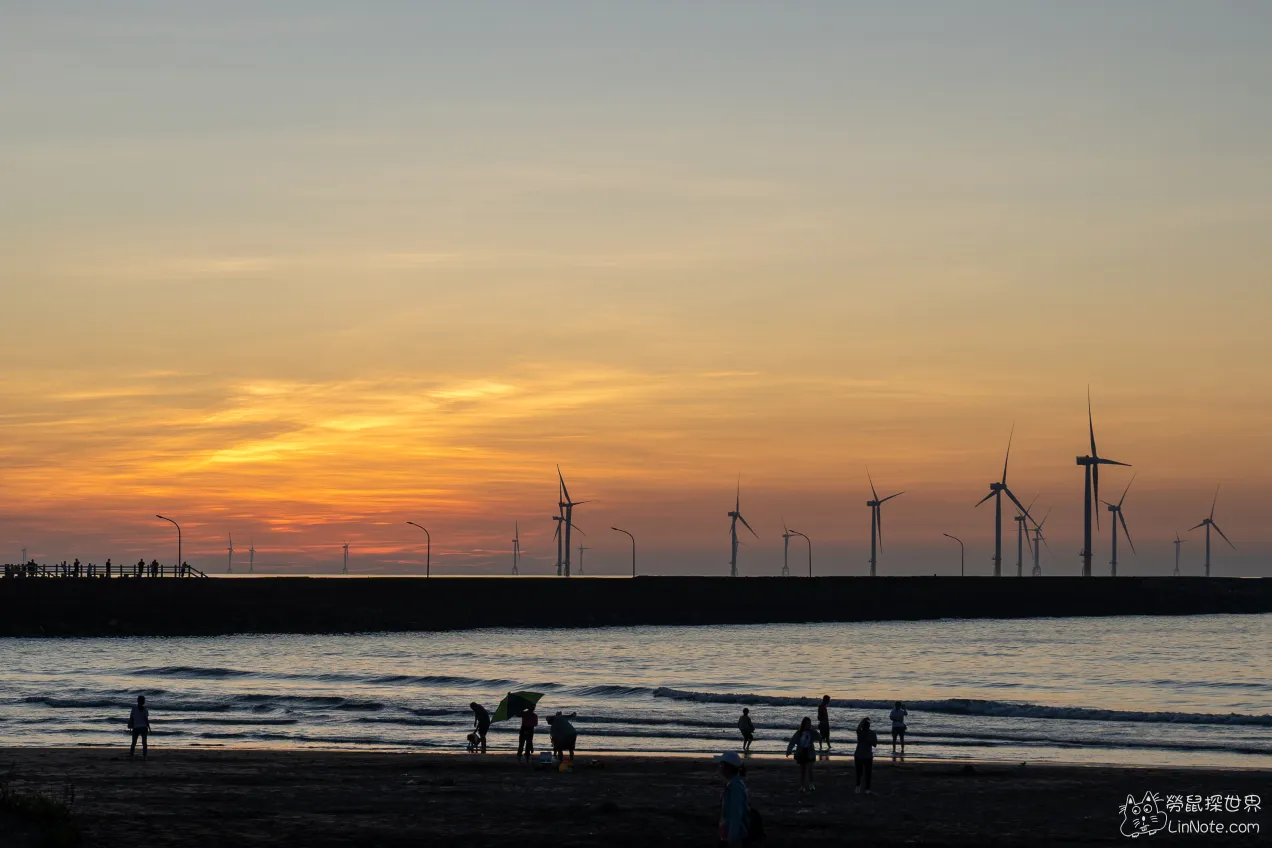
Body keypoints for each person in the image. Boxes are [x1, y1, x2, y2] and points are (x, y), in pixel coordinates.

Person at [715, 751, 750, 847]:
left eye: (721, 765)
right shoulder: (731, 784)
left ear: (728, 768)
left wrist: (732, 837)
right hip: (728, 832)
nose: (719, 767)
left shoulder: (735, 787)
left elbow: (736, 813)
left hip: (735, 835)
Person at [785, 716, 817, 793]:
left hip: (810, 752)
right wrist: (789, 750)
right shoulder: (799, 733)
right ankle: (802, 786)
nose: (808, 725)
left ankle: (811, 784)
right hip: (802, 752)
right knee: (803, 771)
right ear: (803, 724)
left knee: (810, 769)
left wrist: (814, 730)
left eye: (809, 723)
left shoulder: (812, 732)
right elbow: (792, 741)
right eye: (807, 723)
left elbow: (819, 737)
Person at [854, 717, 879, 794]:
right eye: (865, 725)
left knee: (868, 773)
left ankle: (867, 789)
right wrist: (864, 719)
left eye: (867, 725)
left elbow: (875, 744)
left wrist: (869, 741)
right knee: (859, 773)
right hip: (859, 755)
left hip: (867, 756)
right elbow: (858, 727)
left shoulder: (872, 733)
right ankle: (858, 787)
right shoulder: (860, 732)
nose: (866, 727)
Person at [128, 695, 150, 760]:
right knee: (144, 743)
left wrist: (130, 726)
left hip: (136, 727)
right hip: (143, 727)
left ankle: (132, 756)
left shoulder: (134, 708)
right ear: (143, 702)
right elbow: (146, 720)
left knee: (133, 743)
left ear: (138, 701)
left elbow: (131, 718)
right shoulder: (145, 710)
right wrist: (149, 728)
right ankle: (144, 757)